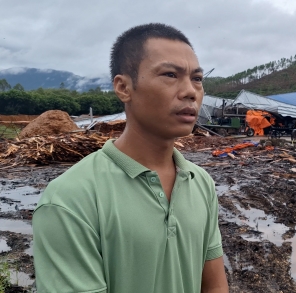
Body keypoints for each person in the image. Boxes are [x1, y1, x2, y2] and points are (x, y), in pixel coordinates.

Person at [33, 23, 229, 293]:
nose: (190, 91)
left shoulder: (201, 183)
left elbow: (214, 286)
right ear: (124, 87)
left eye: (197, 78)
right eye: (171, 74)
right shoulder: (70, 200)